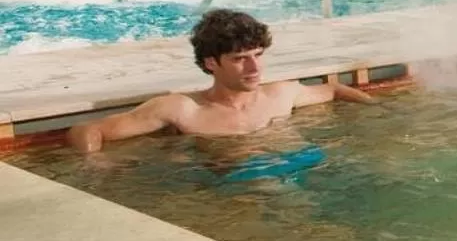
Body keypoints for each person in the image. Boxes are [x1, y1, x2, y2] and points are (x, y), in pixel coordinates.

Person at [67, 9, 373, 153]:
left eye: (258, 54)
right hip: (242, 191)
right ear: (211, 63)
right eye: (240, 59)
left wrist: (379, 110)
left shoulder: (282, 94)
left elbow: (333, 90)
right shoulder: (184, 110)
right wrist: (94, 165)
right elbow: (87, 130)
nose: (255, 67)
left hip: (308, 165)